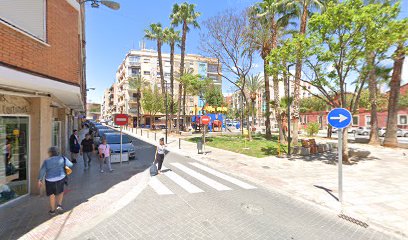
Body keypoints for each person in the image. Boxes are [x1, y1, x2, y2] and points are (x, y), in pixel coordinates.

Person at [38, 146, 73, 216]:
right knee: (60, 192)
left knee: (52, 195)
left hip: (49, 180)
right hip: (61, 178)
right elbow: (70, 164)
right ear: (58, 152)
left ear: (50, 153)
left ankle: (52, 210)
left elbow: (42, 171)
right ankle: (59, 205)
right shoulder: (62, 158)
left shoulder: (47, 161)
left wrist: (40, 180)